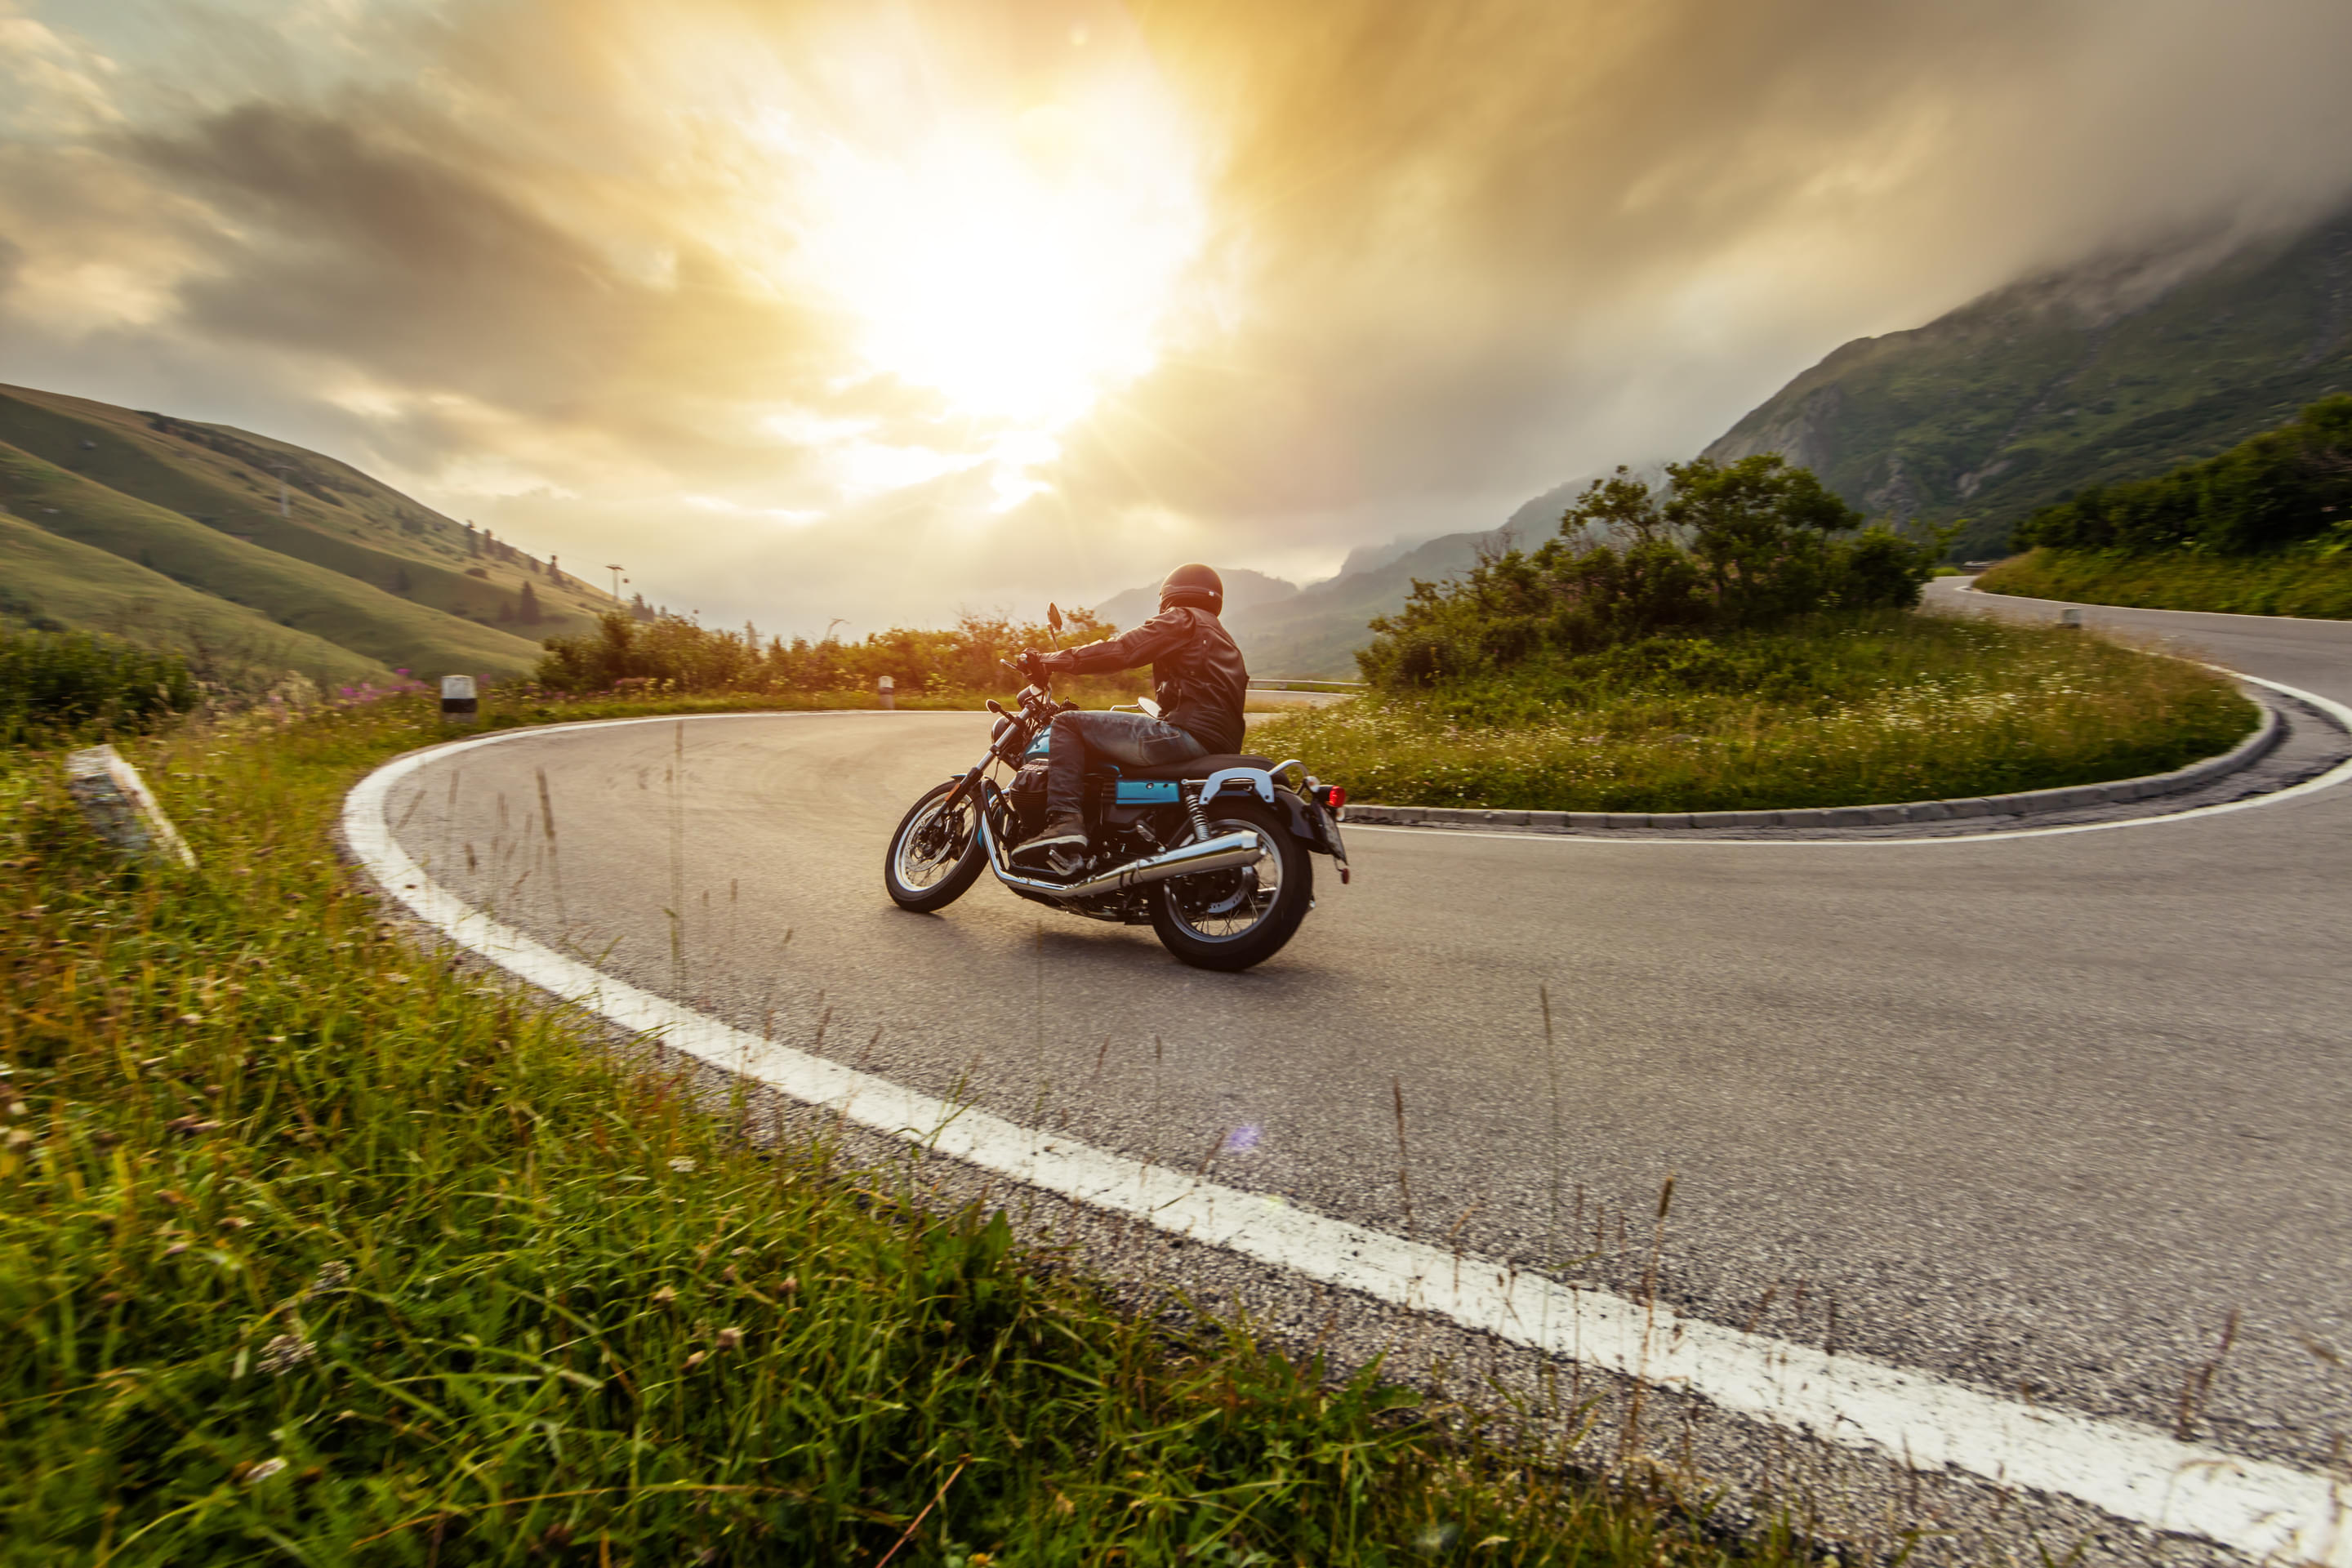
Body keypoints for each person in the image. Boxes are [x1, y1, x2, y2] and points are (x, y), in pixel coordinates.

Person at [1011, 564, 1249, 874]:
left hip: (1186, 733)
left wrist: (1050, 660)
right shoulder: (1224, 638)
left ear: (1170, 595)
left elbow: (1124, 650)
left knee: (1069, 724)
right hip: (1218, 742)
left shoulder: (1183, 619)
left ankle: (1065, 821)